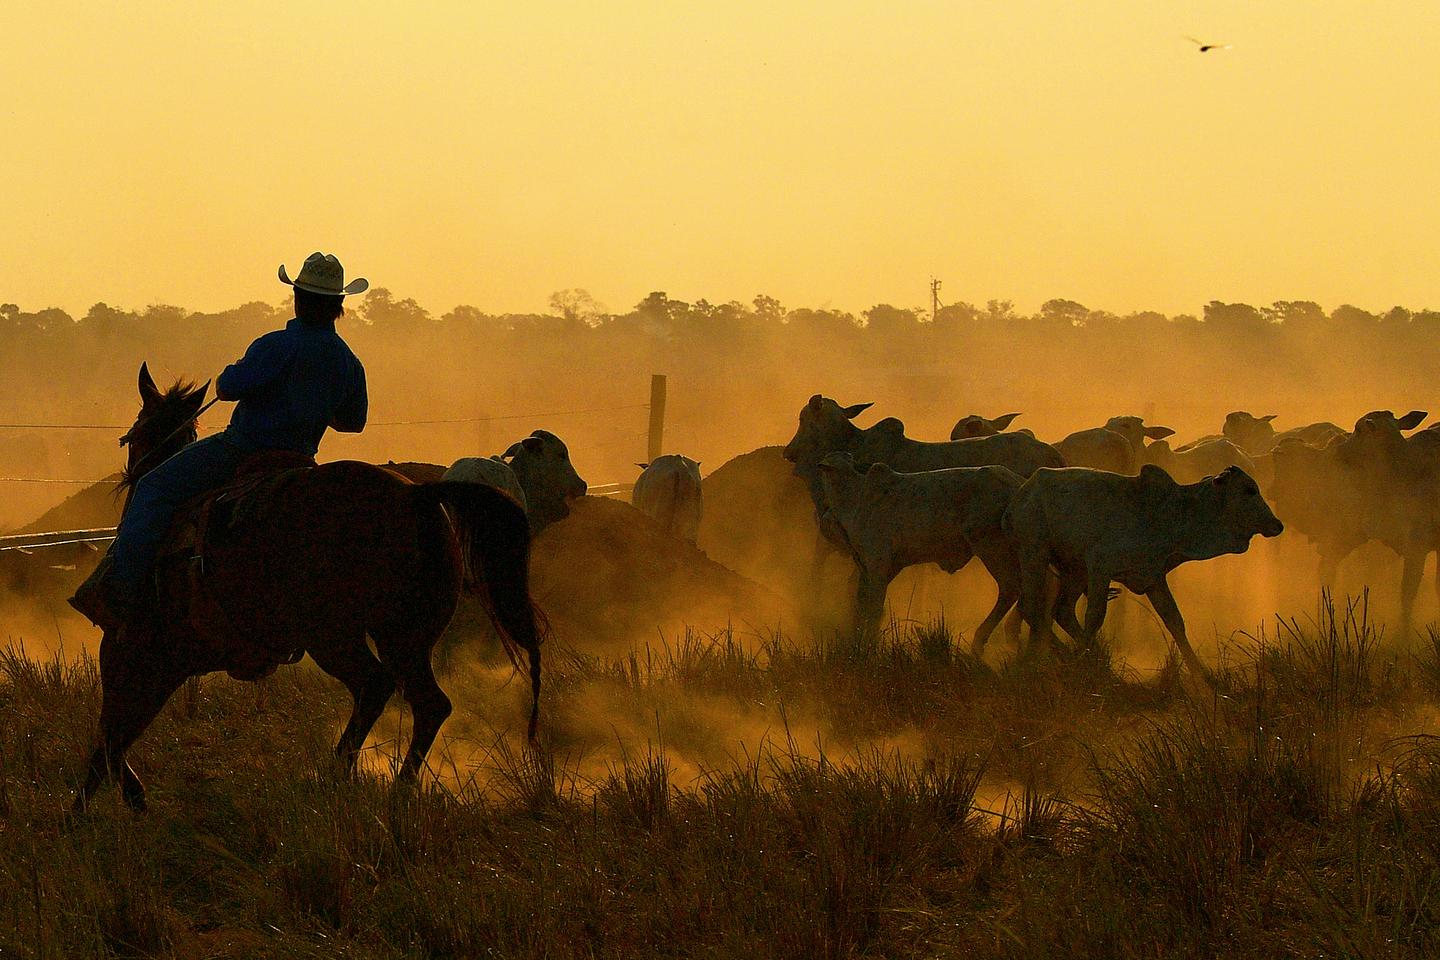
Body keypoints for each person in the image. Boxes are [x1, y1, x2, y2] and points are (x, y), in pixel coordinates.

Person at [70, 252, 370, 631]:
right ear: (338, 306)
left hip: (243, 450)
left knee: (154, 487)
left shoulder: (277, 345)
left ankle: (120, 592)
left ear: (297, 297)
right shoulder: (348, 362)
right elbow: (353, 421)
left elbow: (228, 386)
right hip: (300, 460)